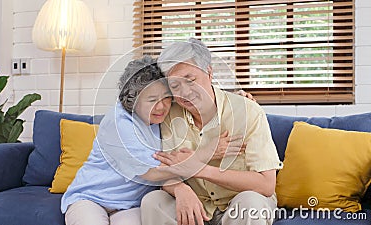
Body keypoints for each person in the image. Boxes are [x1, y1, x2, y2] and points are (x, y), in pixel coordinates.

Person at [61, 56, 246, 225]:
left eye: (166, 98)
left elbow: (198, 97)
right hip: (91, 199)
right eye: (151, 100)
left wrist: (237, 99)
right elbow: (152, 173)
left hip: (131, 205)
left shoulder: (163, 116)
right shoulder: (118, 124)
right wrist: (206, 154)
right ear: (133, 101)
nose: (161, 107)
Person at [140, 38, 283, 225]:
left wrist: (200, 169)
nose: (185, 92)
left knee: (251, 203)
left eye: (190, 80)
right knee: (153, 201)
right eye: (175, 86)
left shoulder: (248, 112)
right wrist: (180, 190)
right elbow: (165, 169)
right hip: (197, 205)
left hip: (239, 203)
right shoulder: (168, 114)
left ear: (209, 72)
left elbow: (265, 184)